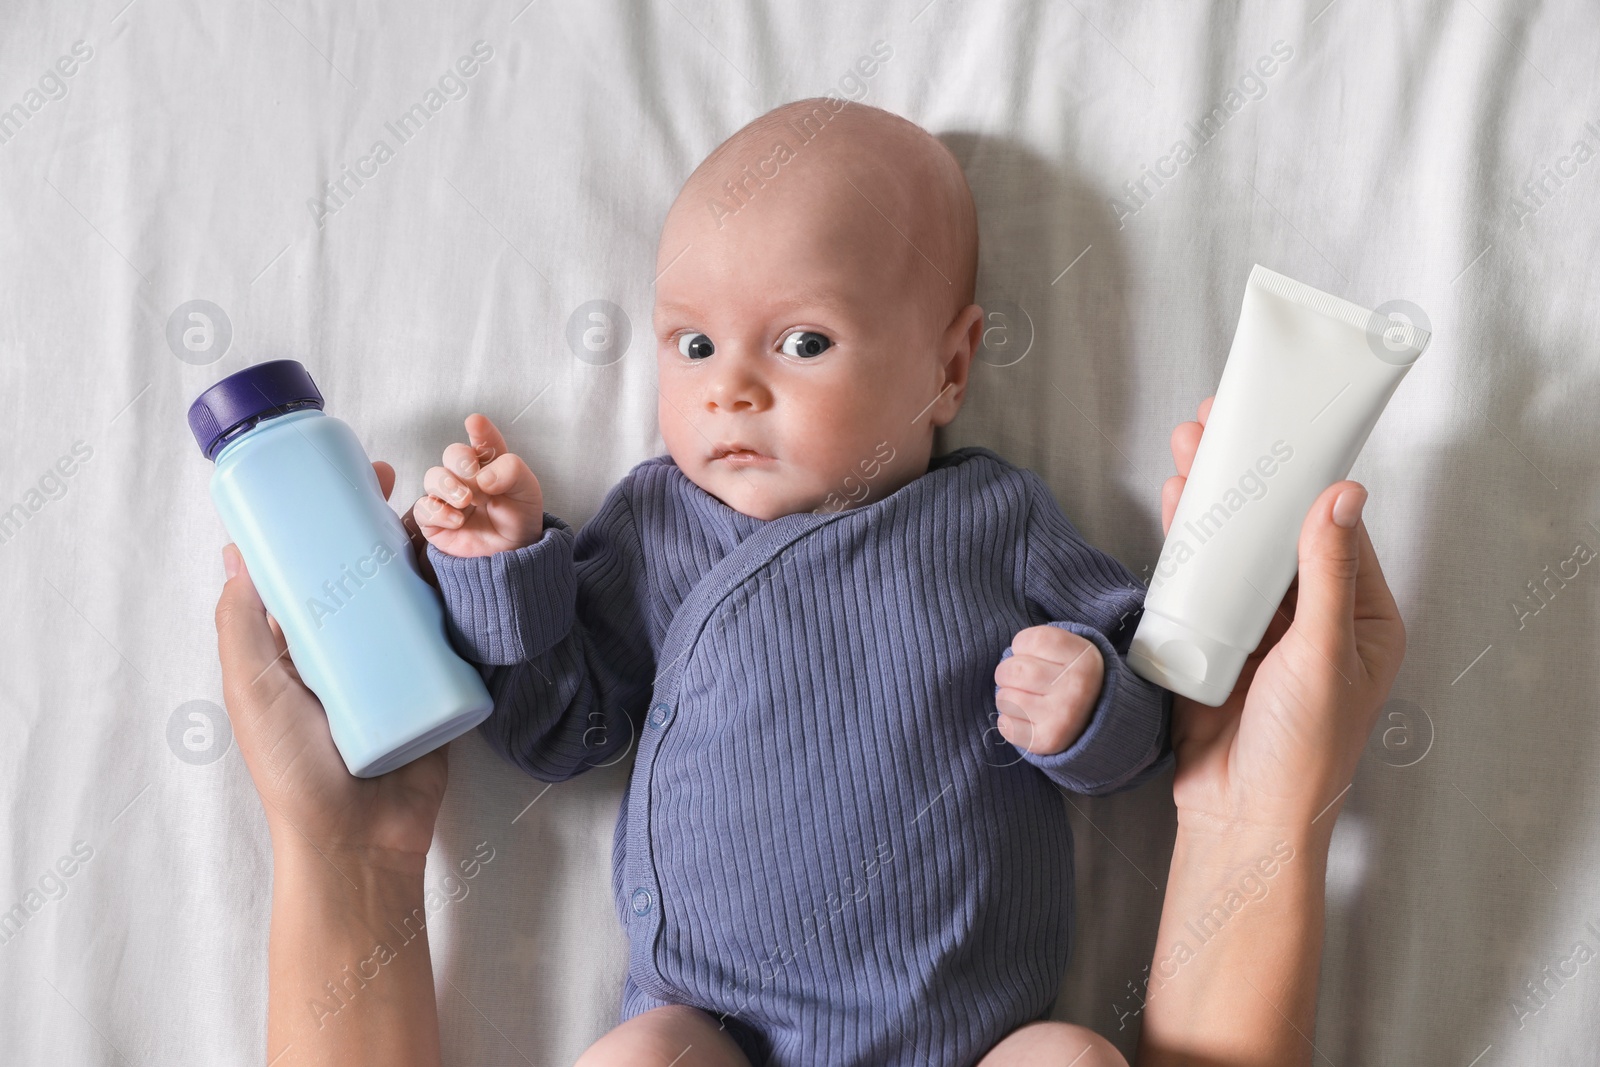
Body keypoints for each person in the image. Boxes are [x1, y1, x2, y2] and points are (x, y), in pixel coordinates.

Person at [214, 393, 1406, 1067]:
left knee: (1070, 1063)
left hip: (969, 1036)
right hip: (713, 1026)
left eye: (803, 344)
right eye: (693, 346)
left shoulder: (992, 514)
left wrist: (1088, 697)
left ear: (944, 368)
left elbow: (1151, 710)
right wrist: (508, 569)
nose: (733, 385)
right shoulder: (661, 521)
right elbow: (564, 726)